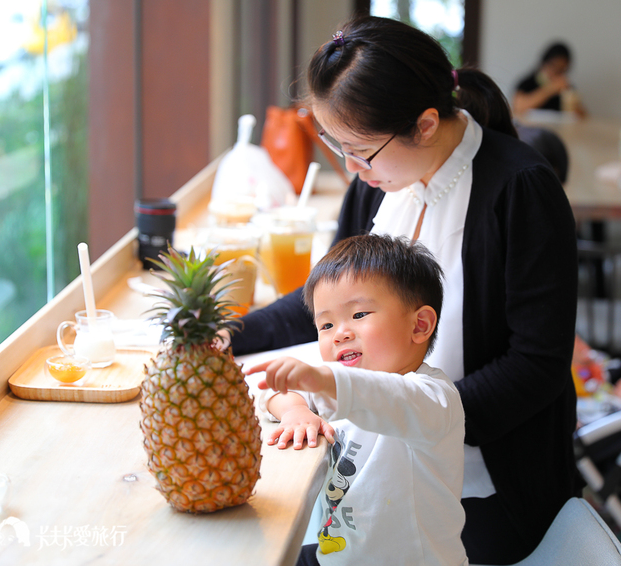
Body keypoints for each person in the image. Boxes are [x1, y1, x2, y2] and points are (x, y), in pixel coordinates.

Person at [229, 16, 579, 564]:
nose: (351, 167)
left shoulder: (519, 189)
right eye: (336, 144)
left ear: (425, 123)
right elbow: (329, 302)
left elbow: (538, 364)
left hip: (484, 482)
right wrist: (230, 334)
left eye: (361, 150)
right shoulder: (374, 186)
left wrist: (412, 420)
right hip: (368, 458)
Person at [248, 234, 467, 566]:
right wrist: (295, 410)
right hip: (339, 554)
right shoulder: (339, 386)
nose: (340, 333)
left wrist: (321, 379)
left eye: (360, 314)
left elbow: (384, 396)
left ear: (419, 325)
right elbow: (273, 389)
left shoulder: (433, 399)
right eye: (326, 324)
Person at [513, 41, 586, 117]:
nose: (556, 72)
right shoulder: (527, 82)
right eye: (554, 66)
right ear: (544, 62)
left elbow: (583, 116)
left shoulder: (566, 88)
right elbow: (518, 107)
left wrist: (574, 104)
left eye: (562, 70)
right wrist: (551, 89)